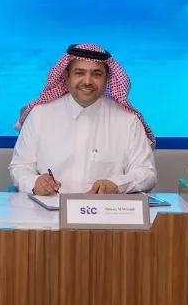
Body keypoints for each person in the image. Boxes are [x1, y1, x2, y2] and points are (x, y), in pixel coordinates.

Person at [9, 43, 156, 196]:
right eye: (79, 73)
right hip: (47, 207)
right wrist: (34, 183)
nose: (87, 81)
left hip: (105, 209)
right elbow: (20, 167)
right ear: (67, 77)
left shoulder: (128, 121)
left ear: (107, 79)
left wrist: (117, 185)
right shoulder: (40, 115)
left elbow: (147, 173)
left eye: (96, 74)